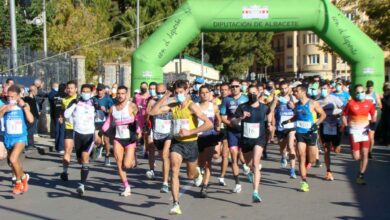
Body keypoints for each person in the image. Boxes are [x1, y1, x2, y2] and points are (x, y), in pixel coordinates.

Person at [149, 79, 212, 215]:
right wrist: (166, 95)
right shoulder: (173, 105)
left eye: (181, 92)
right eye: (176, 93)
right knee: (174, 170)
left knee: (190, 174)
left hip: (191, 143)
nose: (178, 95)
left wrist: (190, 131)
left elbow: (208, 124)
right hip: (177, 143)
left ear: (187, 91)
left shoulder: (192, 106)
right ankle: (176, 204)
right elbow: (153, 112)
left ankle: (197, 174)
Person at [234, 85, 273, 202]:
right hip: (246, 140)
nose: (253, 95)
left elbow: (270, 111)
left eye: (254, 93)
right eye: (250, 93)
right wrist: (241, 118)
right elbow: (233, 121)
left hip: (259, 139)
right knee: (249, 163)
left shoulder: (264, 107)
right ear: (247, 94)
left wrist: (270, 124)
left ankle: (255, 192)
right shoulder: (242, 107)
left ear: (259, 93)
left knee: (256, 164)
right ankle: (250, 171)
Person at [101, 86, 139, 197]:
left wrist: (138, 130)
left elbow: (138, 119)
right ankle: (127, 187)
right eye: (118, 93)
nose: (120, 95)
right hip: (118, 138)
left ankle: (133, 157)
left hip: (130, 138)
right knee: (119, 164)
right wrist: (102, 131)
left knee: (127, 164)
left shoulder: (131, 106)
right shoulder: (113, 108)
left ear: (126, 94)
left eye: (122, 93)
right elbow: (109, 121)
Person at [64, 84, 99, 195]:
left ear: (91, 92)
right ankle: (88, 159)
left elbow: (99, 118)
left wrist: (97, 133)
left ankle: (82, 185)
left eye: (87, 91)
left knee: (85, 158)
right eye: (83, 91)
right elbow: (66, 114)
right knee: (80, 160)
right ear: (80, 92)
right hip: (77, 134)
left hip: (89, 134)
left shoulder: (94, 103)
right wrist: (74, 104)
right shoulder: (75, 102)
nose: (85, 93)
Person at [0, 85, 34, 194]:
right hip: (8, 137)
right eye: (9, 97)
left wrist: (24, 106)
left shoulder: (24, 105)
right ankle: (24, 177)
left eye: (13, 97)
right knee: (13, 162)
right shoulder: (4, 106)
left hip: (20, 137)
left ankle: (18, 183)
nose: (10, 99)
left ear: (18, 96)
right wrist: (4, 111)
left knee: (13, 159)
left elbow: (31, 119)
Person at [292, 85, 326, 192]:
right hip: (300, 133)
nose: (295, 94)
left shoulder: (312, 103)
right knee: (301, 156)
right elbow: (297, 116)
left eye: (296, 91)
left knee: (311, 159)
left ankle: (309, 162)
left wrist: (316, 124)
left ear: (303, 91)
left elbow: (323, 115)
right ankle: (304, 181)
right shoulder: (296, 105)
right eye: (294, 92)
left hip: (311, 133)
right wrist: (288, 121)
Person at [342, 84, 376, 185]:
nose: (360, 94)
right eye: (358, 92)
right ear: (355, 93)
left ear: (364, 92)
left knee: (365, 153)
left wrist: (373, 124)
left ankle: (361, 175)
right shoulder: (351, 103)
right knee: (356, 157)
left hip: (364, 131)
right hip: (354, 131)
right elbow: (344, 115)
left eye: (362, 92)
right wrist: (346, 126)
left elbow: (373, 114)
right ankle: (361, 162)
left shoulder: (369, 103)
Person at [220, 78, 249, 193]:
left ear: (240, 87)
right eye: (232, 87)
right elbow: (222, 116)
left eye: (236, 86)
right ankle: (237, 183)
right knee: (233, 156)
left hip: (245, 131)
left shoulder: (246, 99)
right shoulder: (226, 100)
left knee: (246, 155)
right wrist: (231, 124)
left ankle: (247, 167)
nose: (234, 88)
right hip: (232, 132)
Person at [146, 83, 173, 193]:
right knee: (162, 156)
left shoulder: (172, 101)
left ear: (166, 91)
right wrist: (146, 127)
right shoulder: (152, 102)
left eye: (163, 93)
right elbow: (149, 114)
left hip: (169, 133)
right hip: (157, 133)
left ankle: (165, 183)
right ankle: (164, 172)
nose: (160, 95)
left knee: (165, 155)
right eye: (158, 93)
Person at [196, 85, 222, 198]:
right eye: (202, 92)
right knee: (199, 163)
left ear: (210, 93)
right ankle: (199, 173)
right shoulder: (195, 106)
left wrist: (218, 126)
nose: (205, 94)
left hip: (210, 136)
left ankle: (204, 187)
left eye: (207, 92)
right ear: (199, 94)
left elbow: (218, 118)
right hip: (198, 137)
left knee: (208, 162)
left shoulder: (214, 106)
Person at [270, 81, 297, 178]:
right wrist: (274, 101)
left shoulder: (293, 98)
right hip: (281, 127)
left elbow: (298, 110)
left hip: (291, 126)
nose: (284, 90)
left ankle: (292, 170)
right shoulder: (277, 98)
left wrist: (293, 107)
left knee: (291, 146)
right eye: (282, 88)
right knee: (282, 147)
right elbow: (271, 110)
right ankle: (283, 156)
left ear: (288, 87)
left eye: (285, 88)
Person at [317, 83, 343, 181]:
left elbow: (343, 108)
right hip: (325, 126)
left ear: (329, 90)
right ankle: (328, 171)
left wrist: (338, 114)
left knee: (336, 150)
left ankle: (335, 145)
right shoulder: (318, 101)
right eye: (322, 88)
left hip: (335, 125)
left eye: (325, 88)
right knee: (326, 149)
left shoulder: (334, 98)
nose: (323, 90)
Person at [60, 80, 78, 181]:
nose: (70, 90)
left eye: (72, 88)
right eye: (68, 88)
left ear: (76, 89)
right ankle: (65, 171)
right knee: (67, 149)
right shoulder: (64, 100)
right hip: (69, 128)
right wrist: (61, 117)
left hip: (80, 129)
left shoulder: (80, 100)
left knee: (81, 153)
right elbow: (63, 110)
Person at [94, 83, 114, 165]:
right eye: (98, 90)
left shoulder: (108, 99)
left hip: (106, 122)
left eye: (101, 90)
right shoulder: (93, 99)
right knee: (96, 140)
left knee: (107, 141)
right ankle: (99, 146)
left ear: (104, 91)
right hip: (96, 122)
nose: (99, 92)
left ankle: (107, 157)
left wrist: (106, 110)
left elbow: (112, 111)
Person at [365, 80, 382, 159]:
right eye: (368, 87)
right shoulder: (363, 94)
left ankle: (370, 151)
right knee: (365, 136)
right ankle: (364, 150)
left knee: (371, 137)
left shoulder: (375, 94)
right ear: (366, 87)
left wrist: (376, 107)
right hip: (364, 118)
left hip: (372, 118)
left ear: (373, 87)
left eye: (371, 87)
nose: (370, 89)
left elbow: (380, 105)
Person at [22, 85, 40, 152]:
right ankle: (29, 144)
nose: (36, 92)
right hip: (30, 117)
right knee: (30, 130)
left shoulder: (33, 98)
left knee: (32, 131)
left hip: (34, 116)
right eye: (35, 90)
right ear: (33, 91)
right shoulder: (27, 99)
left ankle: (31, 143)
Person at [53, 83, 67, 153]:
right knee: (62, 131)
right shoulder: (65, 96)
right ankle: (61, 147)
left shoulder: (55, 96)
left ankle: (57, 146)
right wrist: (61, 116)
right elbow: (63, 107)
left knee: (57, 131)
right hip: (62, 115)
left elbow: (54, 107)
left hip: (56, 115)